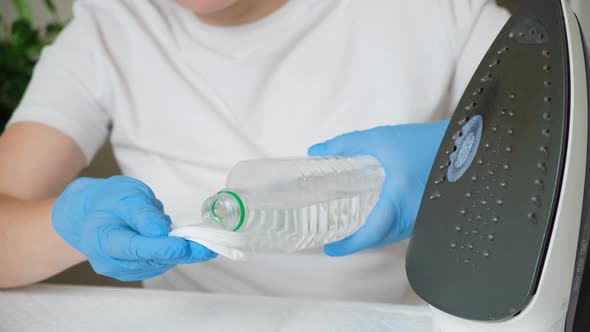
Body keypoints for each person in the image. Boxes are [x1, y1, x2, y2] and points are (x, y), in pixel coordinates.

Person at [0, 0, 509, 304]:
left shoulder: (434, 13)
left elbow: (567, 132)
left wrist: (463, 166)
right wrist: (71, 228)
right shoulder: (112, 28)